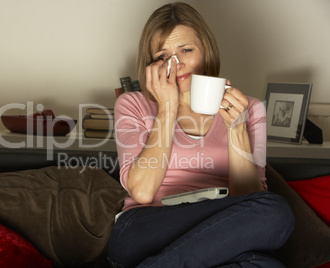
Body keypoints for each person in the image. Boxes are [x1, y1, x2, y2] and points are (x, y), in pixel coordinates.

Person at [108, 2, 295, 267]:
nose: (176, 63)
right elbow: (142, 191)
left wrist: (236, 128)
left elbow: (249, 199)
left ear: (206, 51)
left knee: (273, 221)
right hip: (146, 227)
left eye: (186, 50)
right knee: (275, 214)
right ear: (151, 65)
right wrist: (168, 106)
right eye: (163, 56)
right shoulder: (132, 104)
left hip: (218, 230)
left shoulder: (249, 108)